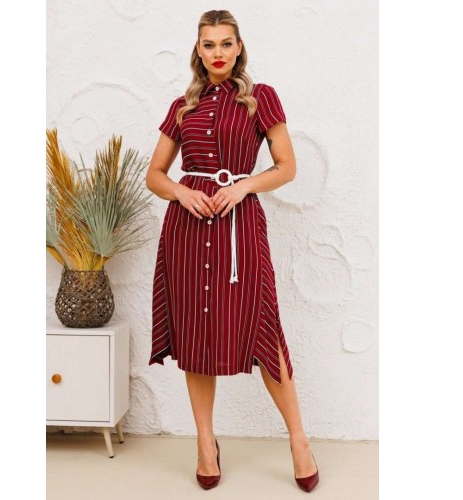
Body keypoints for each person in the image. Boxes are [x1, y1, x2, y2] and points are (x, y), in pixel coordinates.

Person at [145, 9, 319, 493]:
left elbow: (286, 166)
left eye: (226, 43)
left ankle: (299, 440)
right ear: (198, 51)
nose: (218, 52)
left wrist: (243, 187)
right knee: (195, 335)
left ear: (239, 47)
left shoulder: (261, 98)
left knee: (264, 329)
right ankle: (205, 443)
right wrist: (181, 192)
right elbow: (155, 175)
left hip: (239, 229)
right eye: (209, 44)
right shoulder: (182, 106)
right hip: (186, 230)